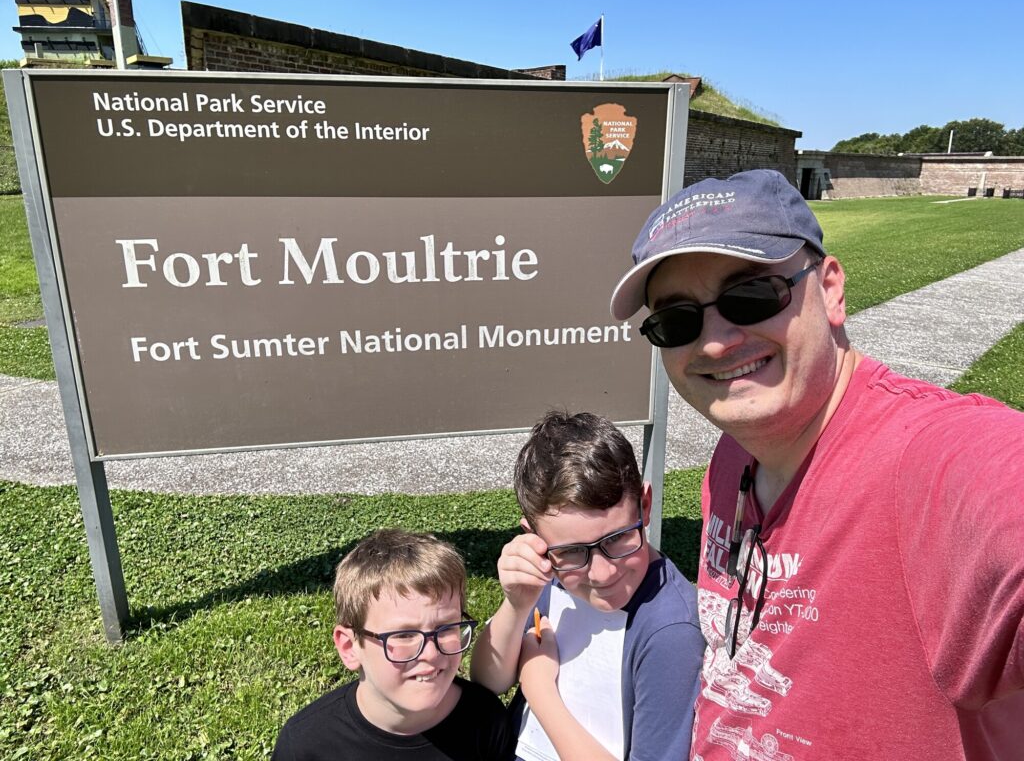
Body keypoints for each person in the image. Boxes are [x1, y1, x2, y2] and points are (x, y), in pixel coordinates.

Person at [609, 168, 1024, 759]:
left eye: (750, 295)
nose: (715, 343)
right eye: (677, 320)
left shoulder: (937, 462)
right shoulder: (733, 456)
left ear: (830, 289)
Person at [470, 410, 704, 760]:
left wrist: (539, 692)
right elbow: (488, 681)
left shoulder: (670, 631)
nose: (602, 573)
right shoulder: (552, 573)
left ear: (645, 505)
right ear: (534, 538)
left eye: (619, 538)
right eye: (572, 551)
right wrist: (516, 605)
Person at [272, 528, 516, 761]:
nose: (431, 654)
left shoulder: (485, 721)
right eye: (403, 635)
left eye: (446, 628)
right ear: (349, 647)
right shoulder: (306, 744)